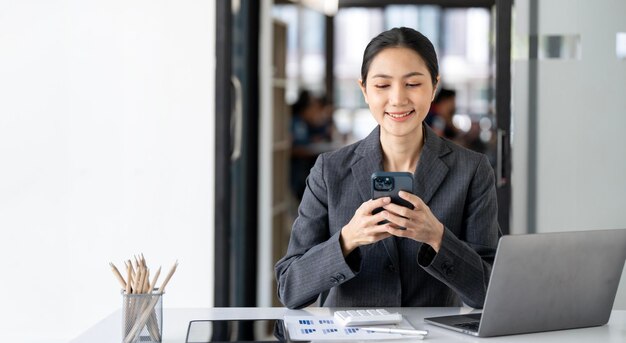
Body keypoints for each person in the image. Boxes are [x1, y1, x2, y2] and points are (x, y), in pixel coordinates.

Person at [275, 27, 501, 309]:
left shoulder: (471, 170)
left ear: (434, 87)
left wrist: (437, 237)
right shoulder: (329, 170)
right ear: (364, 90)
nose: (397, 99)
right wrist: (348, 239)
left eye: (413, 84)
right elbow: (290, 289)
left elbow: (491, 291)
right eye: (382, 85)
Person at [290, 90, 335, 201]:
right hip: (296, 172)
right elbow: (295, 147)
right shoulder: (296, 122)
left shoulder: (306, 124)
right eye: (312, 106)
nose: (315, 110)